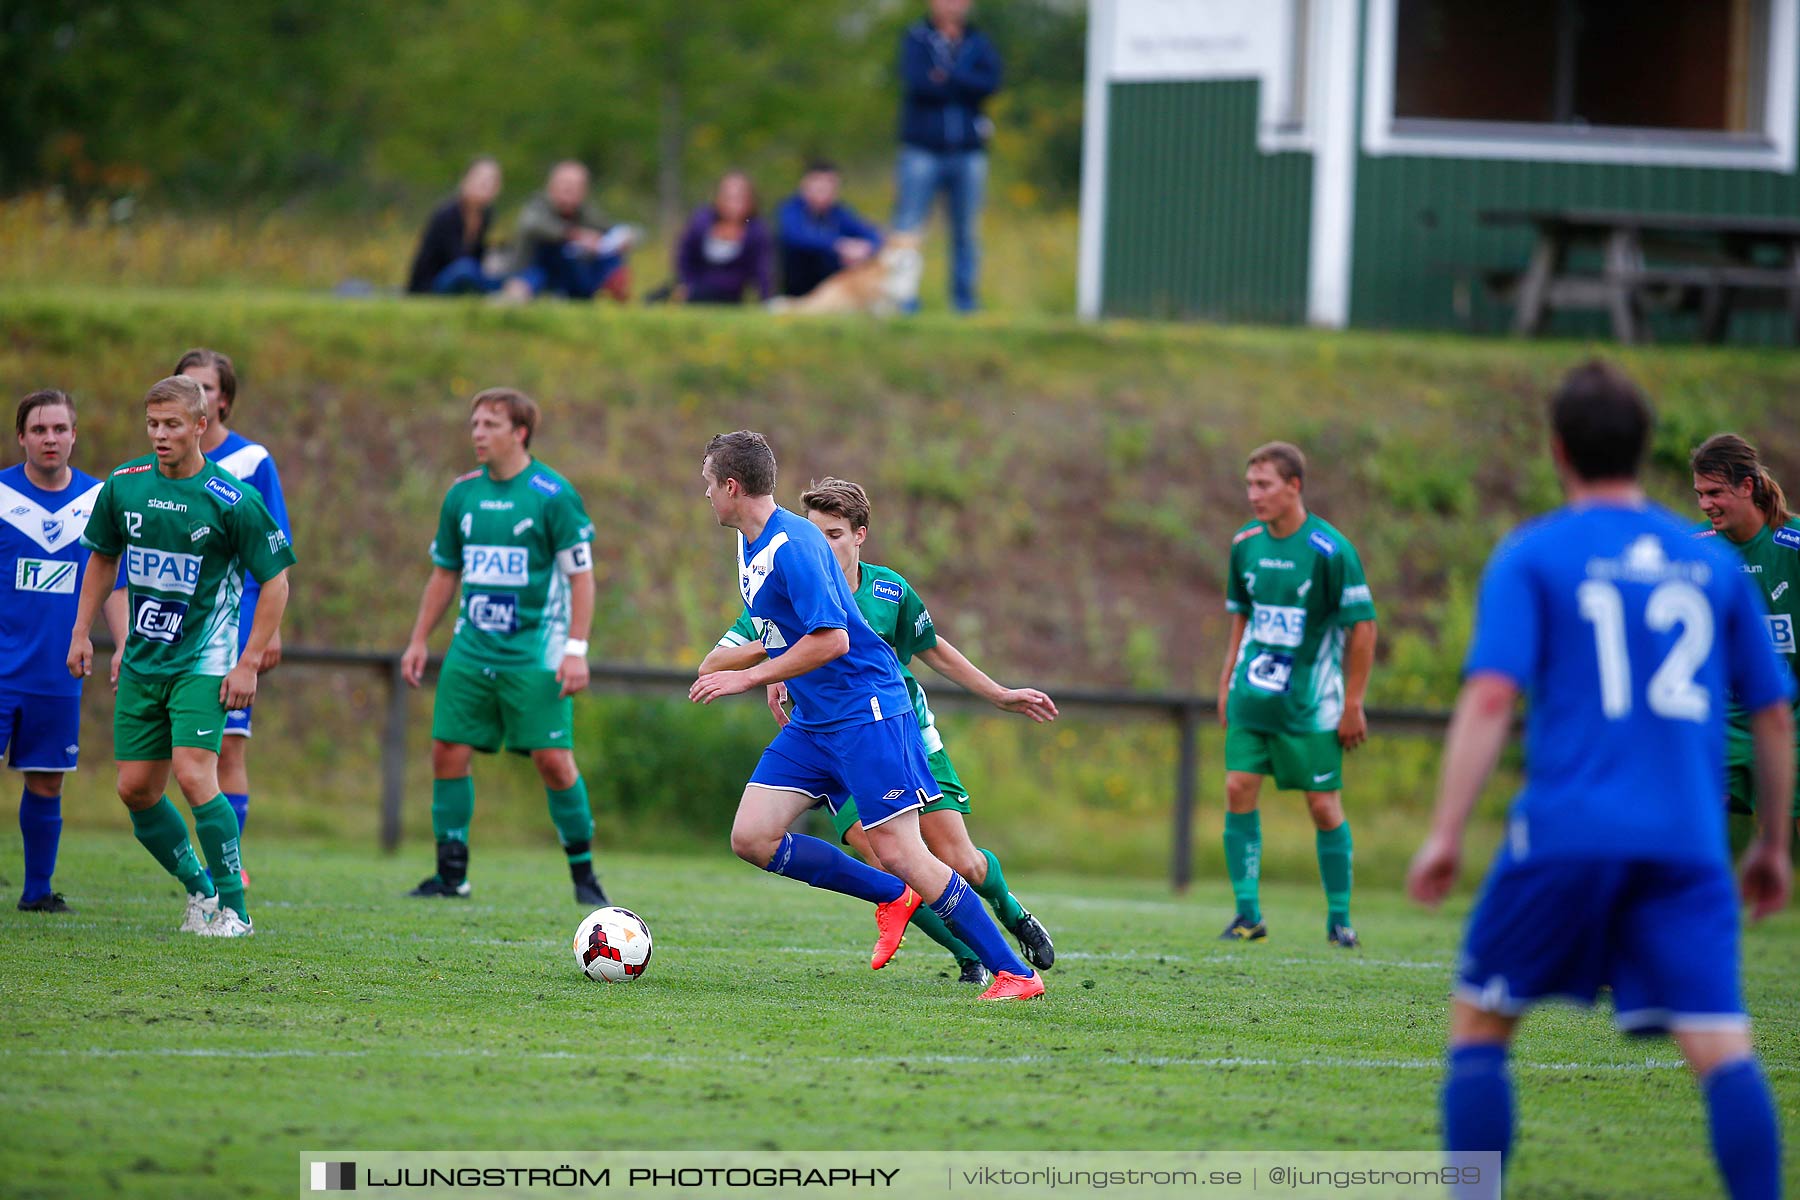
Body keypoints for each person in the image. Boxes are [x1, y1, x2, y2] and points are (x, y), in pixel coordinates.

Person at [1408, 362, 1792, 1200]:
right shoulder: (1715, 570)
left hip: (1566, 829)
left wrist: (1444, 832)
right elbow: (1772, 715)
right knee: (1721, 1046)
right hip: (1689, 841)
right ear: (1645, 451)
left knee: (1480, 1024)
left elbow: (1489, 696)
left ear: (1557, 450)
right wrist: (1771, 843)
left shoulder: (1534, 552)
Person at [690, 432, 1044, 1001]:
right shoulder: (750, 545)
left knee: (908, 854)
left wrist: (755, 674)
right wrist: (771, 664)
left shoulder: (794, 547)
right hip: (815, 721)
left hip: (866, 712)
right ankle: (889, 896)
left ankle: (1015, 973)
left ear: (731, 487)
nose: (704, 494)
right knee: (752, 837)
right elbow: (780, 634)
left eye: (708, 484)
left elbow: (831, 641)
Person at [67, 376, 295, 938]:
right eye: (152, 423)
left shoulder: (232, 499)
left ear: (200, 425)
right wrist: (81, 632)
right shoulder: (124, 485)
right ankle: (200, 888)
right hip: (145, 658)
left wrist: (247, 661)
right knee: (136, 790)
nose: (161, 434)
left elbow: (277, 582)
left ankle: (236, 911)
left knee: (195, 776)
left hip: (206, 659)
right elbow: (102, 561)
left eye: (172, 424)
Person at [400, 388, 607, 905]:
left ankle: (586, 879)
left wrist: (575, 648)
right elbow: (445, 572)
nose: (477, 432)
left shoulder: (552, 494)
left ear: (520, 433)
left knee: (553, 761)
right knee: (447, 750)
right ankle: (451, 875)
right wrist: (418, 639)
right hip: (472, 650)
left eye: (490, 423)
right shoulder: (461, 495)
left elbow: (582, 578)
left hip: (535, 654)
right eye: (474, 423)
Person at [1215, 442, 1376, 947]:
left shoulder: (1331, 551)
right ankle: (1247, 916)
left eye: (1263, 485)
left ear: (1294, 486)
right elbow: (1241, 616)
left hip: (1310, 705)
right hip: (1252, 696)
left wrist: (1352, 703)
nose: (1253, 495)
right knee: (1238, 787)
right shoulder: (1245, 544)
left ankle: (1339, 920)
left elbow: (1364, 629)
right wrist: (1225, 681)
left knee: (1323, 806)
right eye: (1249, 484)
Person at [3, 391, 106, 912]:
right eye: (39, 429)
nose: (50, 439)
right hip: (1, 667)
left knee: (46, 780)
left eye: (60, 429)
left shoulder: (97, 501)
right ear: (21, 436)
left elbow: (116, 581)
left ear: (74, 434)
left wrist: (125, 645)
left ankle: (37, 891)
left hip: (57, 671)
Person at [1692, 433, 1800, 839]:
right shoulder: (1694, 550)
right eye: (1699, 493)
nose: (1705, 504)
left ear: (1747, 486)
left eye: (1715, 492)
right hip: (1723, 717)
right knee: (1693, 820)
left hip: (1792, 715)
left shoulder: (1792, 546)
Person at [892, 0, 1001, 313]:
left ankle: (965, 304)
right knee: (908, 228)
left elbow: (990, 83)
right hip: (922, 151)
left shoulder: (979, 41)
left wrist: (948, 77)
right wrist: (963, 83)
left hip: (968, 152)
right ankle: (902, 300)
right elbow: (919, 83)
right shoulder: (916, 38)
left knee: (966, 232)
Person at [502, 161, 635, 302]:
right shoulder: (538, 206)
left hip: (573, 275)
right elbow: (531, 224)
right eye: (565, 184)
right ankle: (519, 292)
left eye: (576, 186)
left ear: (584, 191)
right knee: (548, 258)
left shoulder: (585, 211)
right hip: (532, 272)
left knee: (609, 252)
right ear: (551, 186)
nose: (570, 189)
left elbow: (608, 228)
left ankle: (614, 285)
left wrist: (622, 238)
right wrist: (574, 235)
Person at [776, 161, 882, 299]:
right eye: (819, 186)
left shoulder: (839, 212)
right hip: (798, 284)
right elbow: (796, 237)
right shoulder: (790, 209)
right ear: (805, 186)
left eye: (830, 186)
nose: (825, 191)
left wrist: (865, 249)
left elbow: (871, 234)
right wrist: (839, 245)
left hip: (834, 283)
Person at [407, 157, 504, 295]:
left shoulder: (486, 215)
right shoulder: (448, 214)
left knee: (505, 273)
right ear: (466, 180)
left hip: (465, 276)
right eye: (481, 180)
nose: (486, 186)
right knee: (466, 269)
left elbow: (478, 253)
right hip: (431, 284)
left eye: (491, 182)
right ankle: (494, 292)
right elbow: (456, 259)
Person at [673, 172, 772, 305]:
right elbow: (684, 258)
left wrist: (766, 300)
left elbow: (762, 271)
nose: (734, 204)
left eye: (740, 197)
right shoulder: (701, 221)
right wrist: (685, 284)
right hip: (693, 288)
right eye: (729, 197)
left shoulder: (756, 230)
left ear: (750, 200)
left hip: (728, 296)